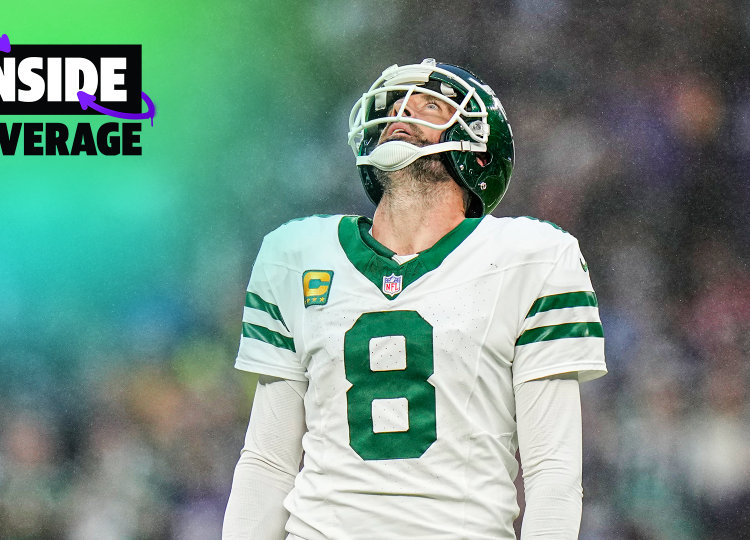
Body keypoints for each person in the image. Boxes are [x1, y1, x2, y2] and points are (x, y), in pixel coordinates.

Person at [222, 59, 606, 540]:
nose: (403, 112)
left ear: (480, 155)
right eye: (397, 104)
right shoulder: (293, 254)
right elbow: (268, 461)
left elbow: (552, 471)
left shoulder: (533, 258)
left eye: (430, 105)